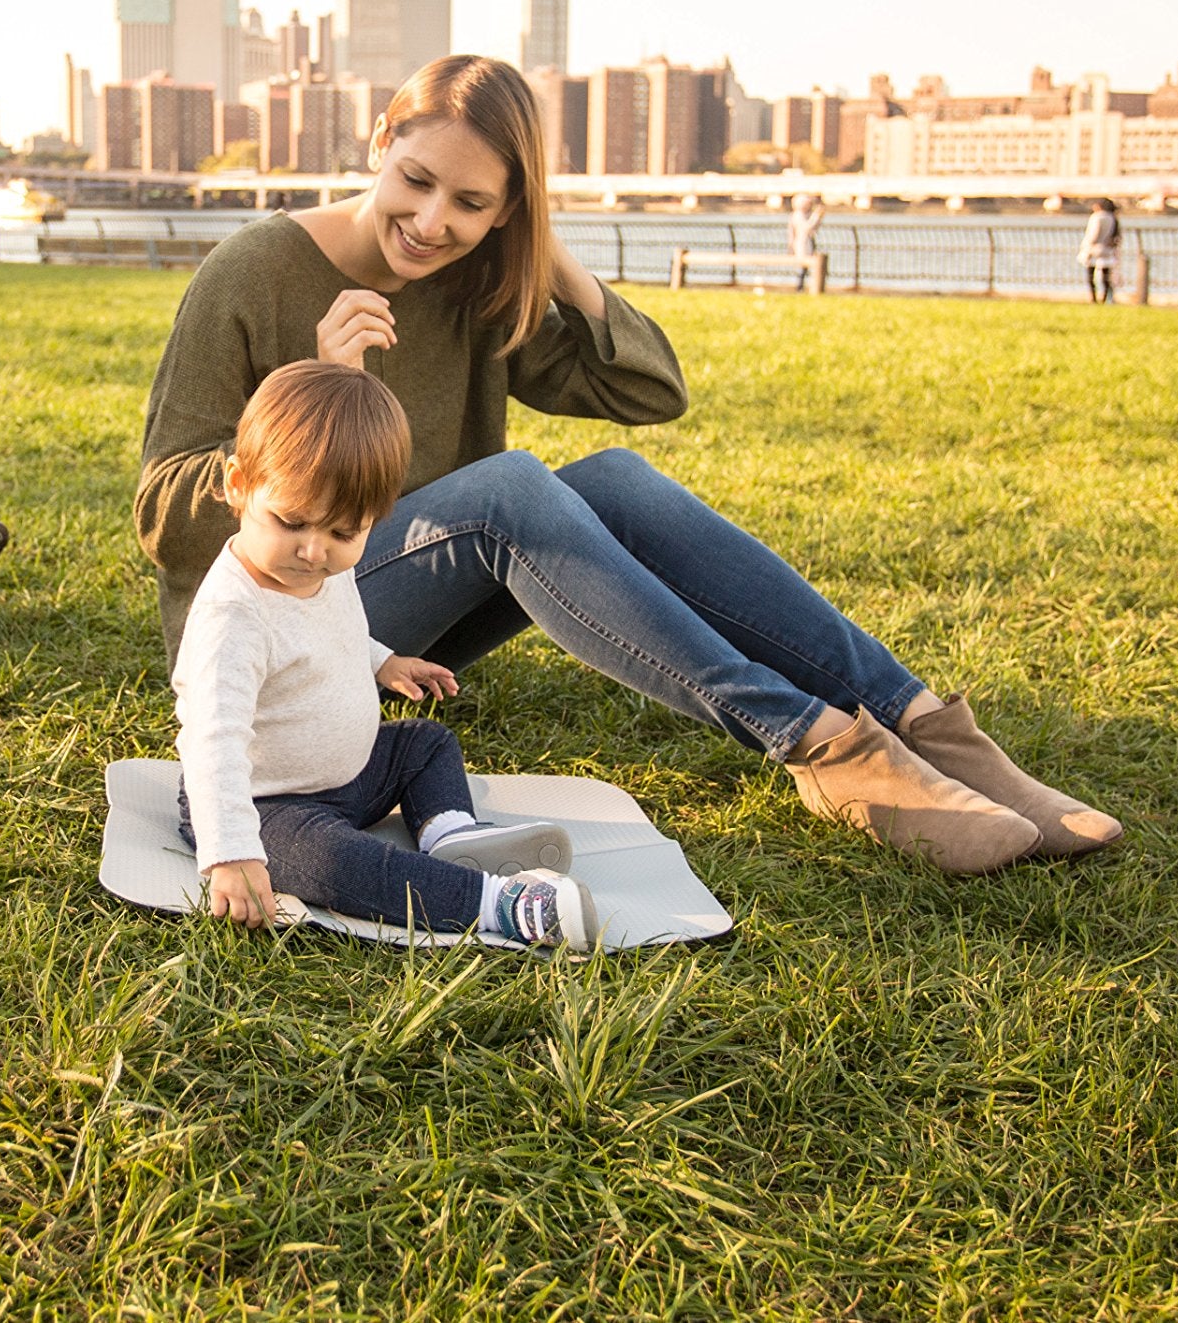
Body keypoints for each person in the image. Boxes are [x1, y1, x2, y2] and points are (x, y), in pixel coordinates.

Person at [138, 55, 1120, 876]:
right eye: (417, 180)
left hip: (380, 620)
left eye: (473, 203)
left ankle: (921, 727)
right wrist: (313, 394)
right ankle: (819, 746)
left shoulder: (472, 280)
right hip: (264, 629)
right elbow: (161, 512)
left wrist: (549, 263)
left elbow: (653, 395)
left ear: (508, 212)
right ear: (380, 144)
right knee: (512, 488)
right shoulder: (253, 272)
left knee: (613, 480)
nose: (432, 221)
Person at [176, 358, 599, 948]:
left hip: (347, 778)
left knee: (425, 744)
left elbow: (334, 630)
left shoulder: (323, 571)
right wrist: (231, 852)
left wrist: (382, 661)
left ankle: (451, 837)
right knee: (337, 863)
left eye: (342, 534)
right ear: (238, 485)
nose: (313, 551)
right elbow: (212, 740)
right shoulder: (233, 616)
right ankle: (500, 905)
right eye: (291, 521)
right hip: (263, 802)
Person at [1079, 197, 1122, 304]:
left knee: (1090, 275)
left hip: (1093, 249)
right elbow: (1117, 237)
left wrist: (1086, 246)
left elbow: (1093, 234)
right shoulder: (1113, 218)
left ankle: (1093, 298)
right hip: (1107, 250)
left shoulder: (1097, 217)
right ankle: (1105, 298)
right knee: (1106, 276)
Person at [786, 191, 827, 291]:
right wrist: (816, 216)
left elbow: (814, 228)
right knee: (803, 266)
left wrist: (818, 217)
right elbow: (807, 227)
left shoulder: (805, 215)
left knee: (806, 267)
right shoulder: (798, 215)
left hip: (808, 242)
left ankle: (803, 286)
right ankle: (799, 287)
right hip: (802, 243)